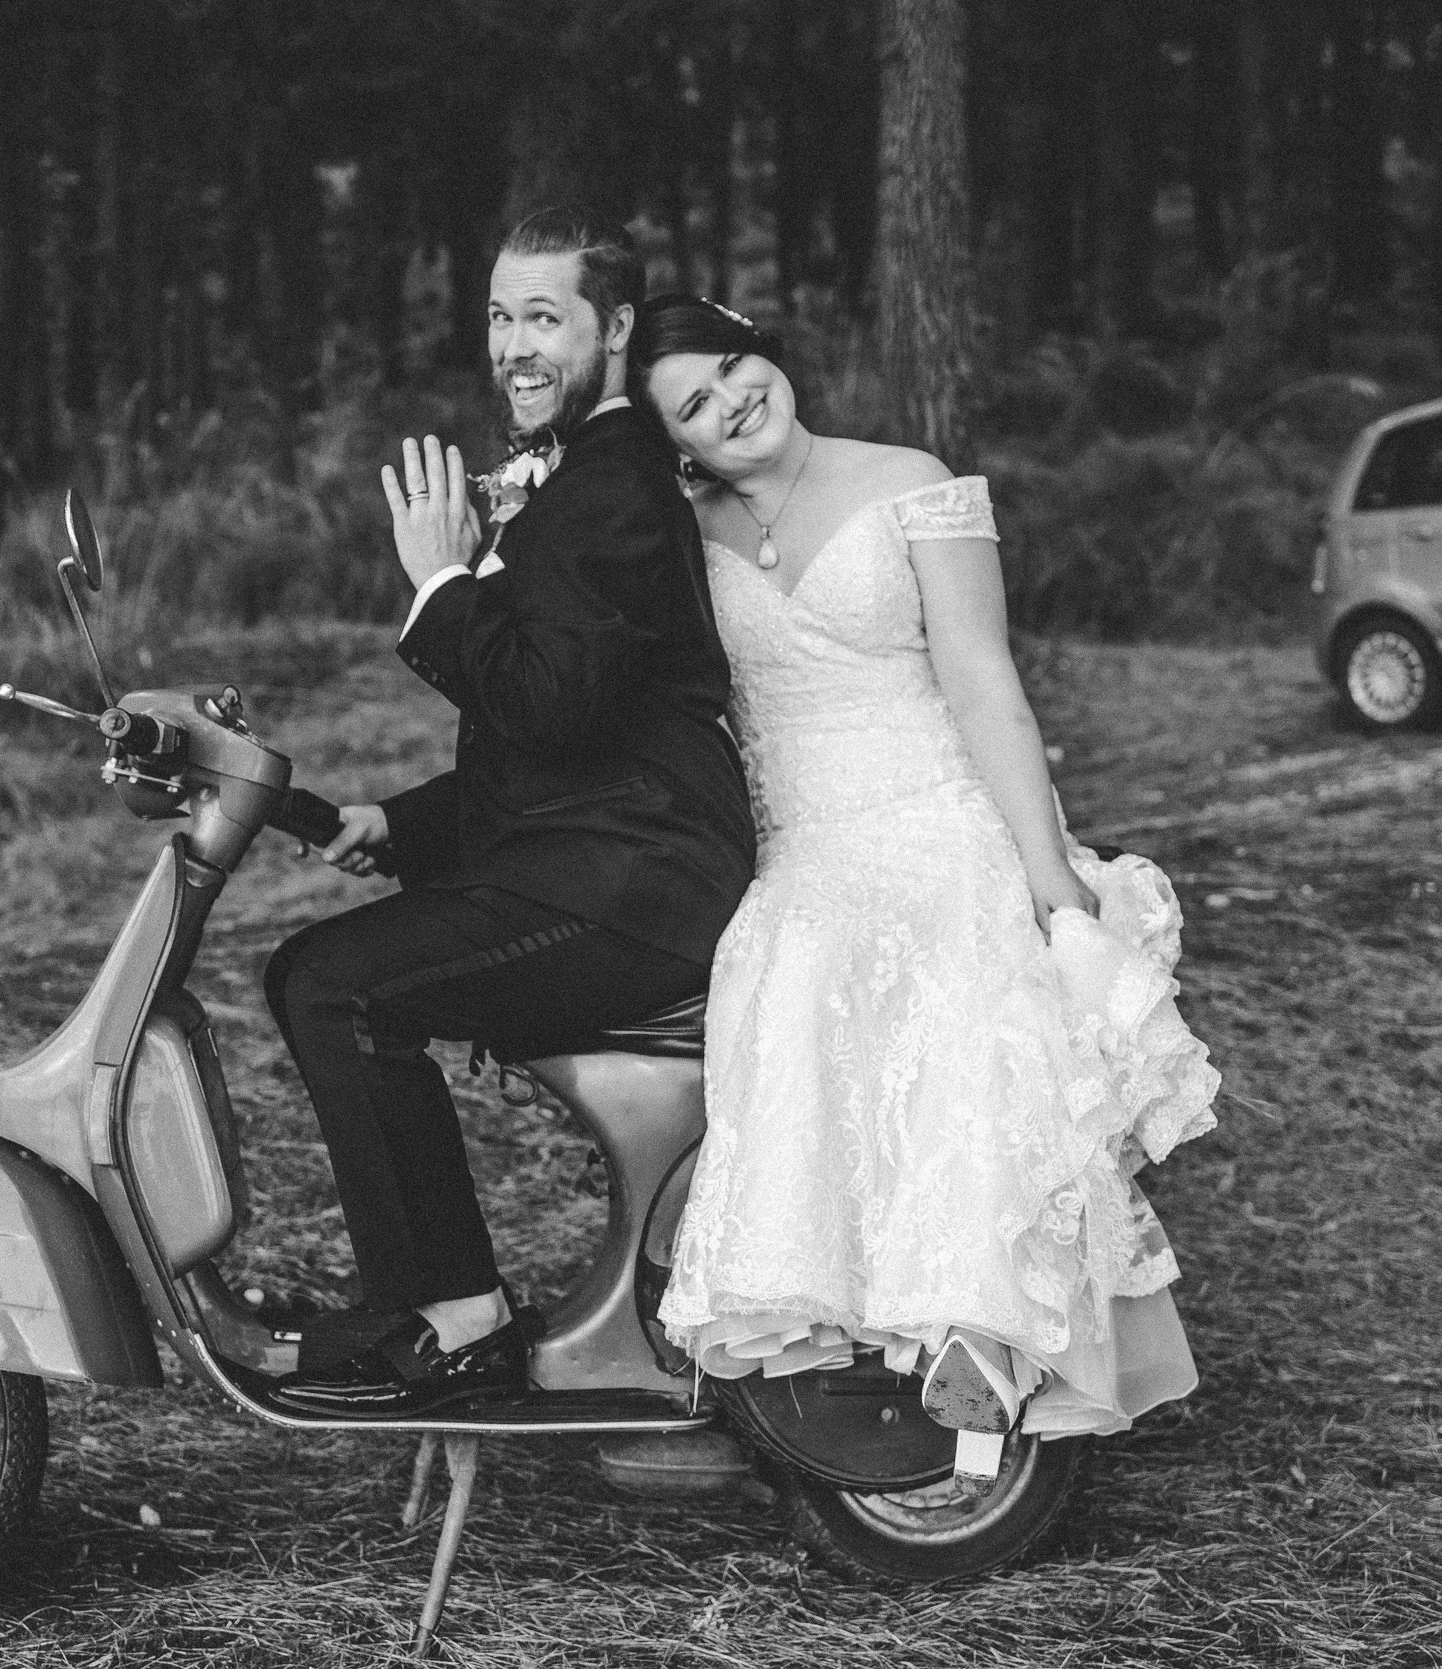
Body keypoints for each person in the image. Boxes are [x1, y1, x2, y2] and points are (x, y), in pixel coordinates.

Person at [629, 295, 1219, 1472]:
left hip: (941, 814)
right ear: (675, 442)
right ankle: (858, 1358)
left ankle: (984, 1332)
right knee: (795, 983)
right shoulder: (677, 540)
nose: (733, 400)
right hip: (807, 847)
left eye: (735, 364)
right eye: (694, 402)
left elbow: (982, 677)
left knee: (967, 1000)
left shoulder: (910, 480)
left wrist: (1045, 873)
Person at [259, 216, 756, 1419]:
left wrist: (440, 579)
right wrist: (403, 824)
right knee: (324, 975)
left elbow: (548, 701)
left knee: (331, 985)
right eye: (498, 316)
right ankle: (452, 1303)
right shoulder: (587, 479)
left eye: (544, 317)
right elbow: (574, 736)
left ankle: (452, 1313)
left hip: (632, 889)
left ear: (614, 328)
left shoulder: (610, 488)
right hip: (603, 859)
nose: (514, 346)